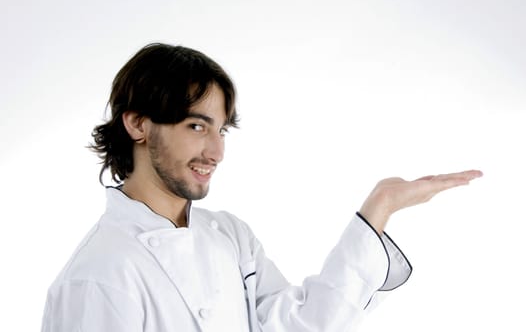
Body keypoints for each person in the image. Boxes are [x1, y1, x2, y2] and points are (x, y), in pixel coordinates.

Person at [41, 43, 482, 332]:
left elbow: (300, 324)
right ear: (138, 123)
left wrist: (379, 208)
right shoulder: (98, 276)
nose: (216, 152)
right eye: (196, 125)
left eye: (221, 131)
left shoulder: (229, 236)